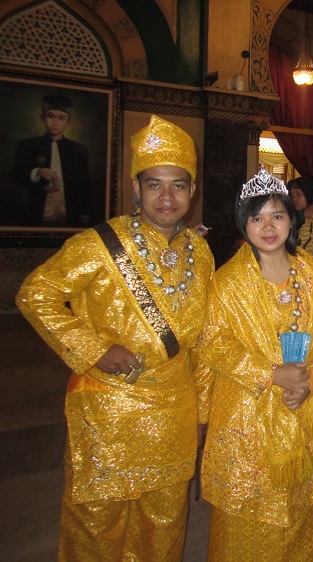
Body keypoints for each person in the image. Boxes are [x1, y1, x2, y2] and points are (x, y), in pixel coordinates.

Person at [15, 114, 215, 561]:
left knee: (164, 523)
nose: (167, 197)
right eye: (155, 184)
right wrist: (94, 349)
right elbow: (36, 294)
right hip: (108, 411)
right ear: (135, 189)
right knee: (98, 522)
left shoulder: (200, 253)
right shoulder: (98, 245)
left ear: (193, 191)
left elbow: (202, 338)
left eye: (178, 185)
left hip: (175, 412)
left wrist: (203, 411)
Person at [194, 167, 313, 561]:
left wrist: (311, 378)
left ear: (291, 218)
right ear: (244, 223)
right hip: (246, 422)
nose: (268, 226)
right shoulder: (227, 282)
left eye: (277, 215)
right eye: (256, 217)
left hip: (301, 411)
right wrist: (269, 374)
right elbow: (212, 343)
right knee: (248, 525)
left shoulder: (311, 272)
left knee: (302, 521)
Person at [10, 94, 93, 227]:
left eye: (61, 118)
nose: (55, 123)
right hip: (37, 209)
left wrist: (85, 215)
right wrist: (37, 172)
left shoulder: (78, 149)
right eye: (50, 116)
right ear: (42, 117)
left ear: (68, 121)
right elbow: (17, 178)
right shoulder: (28, 145)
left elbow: (84, 185)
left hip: (69, 210)